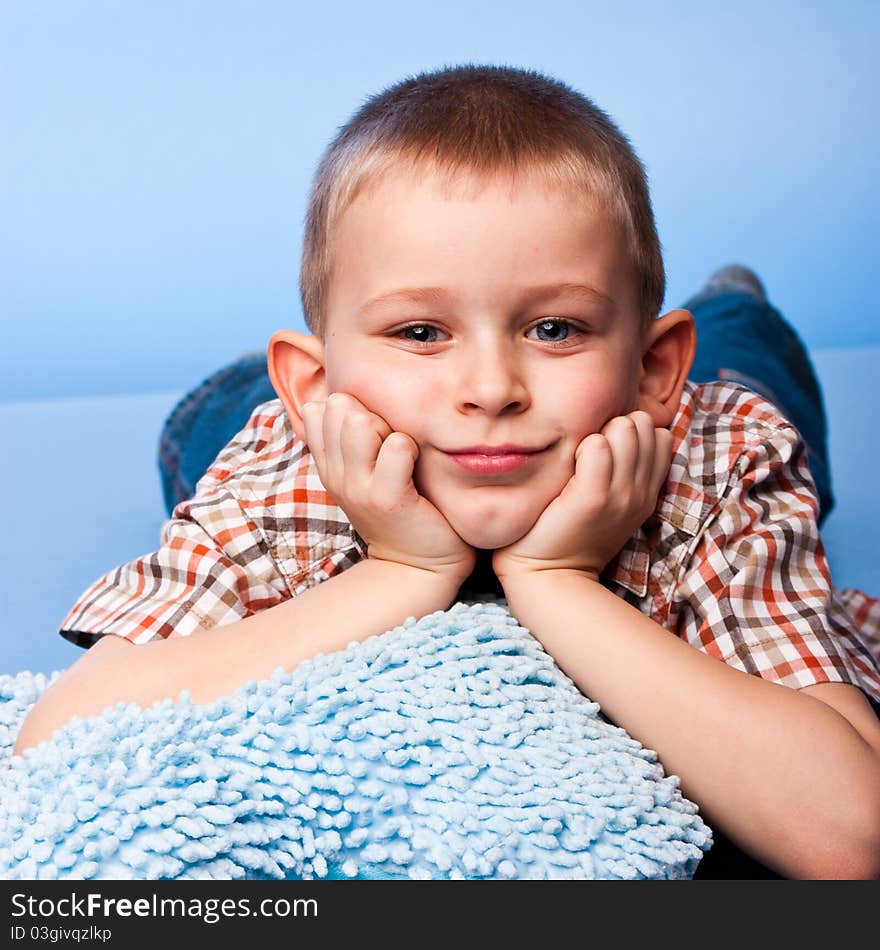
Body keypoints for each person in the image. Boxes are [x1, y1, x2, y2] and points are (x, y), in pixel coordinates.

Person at [14, 64, 880, 879]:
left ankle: (735, 304)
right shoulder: (287, 461)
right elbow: (58, 741)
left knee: (752, 363)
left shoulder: (715, 463)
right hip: (305, 418)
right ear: (315, 386)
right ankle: (274, 370)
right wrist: (403, 570)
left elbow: (846, 839)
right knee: (214, 419)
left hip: (685, 404)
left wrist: (556, 580)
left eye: (555, 329)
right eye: (421, 332)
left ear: (654, 371)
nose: (491, 389)